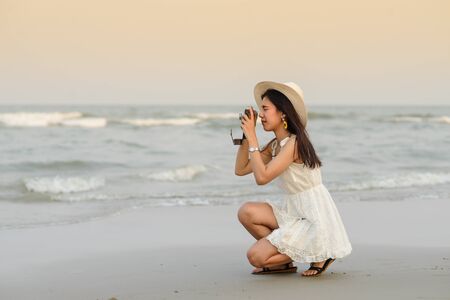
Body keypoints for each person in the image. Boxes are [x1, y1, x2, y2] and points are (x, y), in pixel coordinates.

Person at [235, 81, 352, 277]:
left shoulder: (294, 143)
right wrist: (246, 138)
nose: (261, 115)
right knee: (247, 212)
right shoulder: (275, 145)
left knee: (255, 256)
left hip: (313, 216)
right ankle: (282, 262)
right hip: (294, 211)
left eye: (265, 109)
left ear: (283, 113)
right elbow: (241, 169)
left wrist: (254, 138)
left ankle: (322, 252)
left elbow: (262, 178)